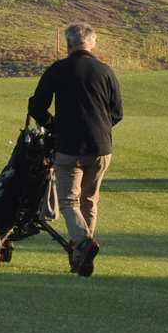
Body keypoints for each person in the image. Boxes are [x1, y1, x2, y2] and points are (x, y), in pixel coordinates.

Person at [28, 22, 123, 276]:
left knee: (69, 201)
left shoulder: (58, 69)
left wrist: (54, 126)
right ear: (92, 44)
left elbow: (36, 107)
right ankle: (80, 261)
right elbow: (117, 113)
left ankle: (83, 242)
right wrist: (100, 127)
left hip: (69, 148)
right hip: (101, 148)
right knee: (89, 201)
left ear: (68, 44)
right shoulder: (106, 71)